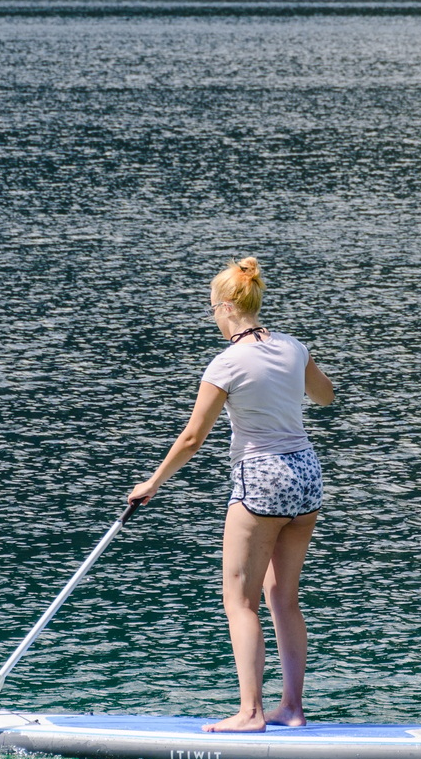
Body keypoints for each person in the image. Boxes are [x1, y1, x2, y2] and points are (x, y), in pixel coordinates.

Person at [130, 257, 335, 732]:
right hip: (306, 477)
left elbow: (191, 439)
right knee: (283, 596)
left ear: (225, 307)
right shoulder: (293, 347)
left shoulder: (225, 362)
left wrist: (151, 484)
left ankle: (250, 713)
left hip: (261, 480)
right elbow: (325, 396)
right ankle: (293, 709)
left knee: (239, 601)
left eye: (211, 310)